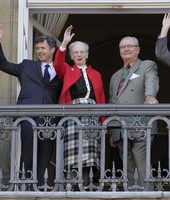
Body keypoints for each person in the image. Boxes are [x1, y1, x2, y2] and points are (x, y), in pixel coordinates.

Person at [0, 24, 62, 187]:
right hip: (28, 115)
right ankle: (25, 185)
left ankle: (40, 186)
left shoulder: (60, 70)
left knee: (45, 155)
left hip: (50, 118)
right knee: (27, 152)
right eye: (37, 48)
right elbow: (3, 64)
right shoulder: (27, 65)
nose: (40, 51)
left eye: (43, 48)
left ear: (52, 50)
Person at [53, 25, 106, 188]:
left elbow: (101, 98)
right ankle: (71, 189)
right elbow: (57, 64)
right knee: (73, 156)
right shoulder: (67, 70)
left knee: (88, 157)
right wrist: (64, 44)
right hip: (72, 114)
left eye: (82, 52)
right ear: (72, 56)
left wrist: (103, 121)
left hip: (92, 114)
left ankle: (84, 188)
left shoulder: (96, 74)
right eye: (75, 52)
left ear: (87, 55)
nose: (79, 54)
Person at [109, 36, 159, 189]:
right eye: (123, 47)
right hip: (120, 127)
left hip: (141, 123)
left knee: (141, 159)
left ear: (138, 50)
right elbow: (112, 103)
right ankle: (131, 194)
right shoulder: (115, 76)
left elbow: (151, 80)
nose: (126, 49)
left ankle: (149, 196)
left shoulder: (146, 65)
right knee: (127, 164)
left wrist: (150, 96)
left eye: (130, 46)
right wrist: (112, 130)